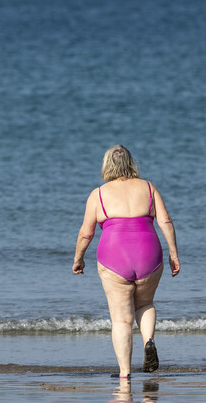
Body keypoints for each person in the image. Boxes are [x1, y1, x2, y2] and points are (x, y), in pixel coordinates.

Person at [72, 145, 182, 378]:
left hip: (114, 258)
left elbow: (86, 233)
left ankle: (124, 374)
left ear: (106, 165)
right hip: (148, 254)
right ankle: (149, 340)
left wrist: (78, 258)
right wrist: (174, 254)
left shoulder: (98, 194)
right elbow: (165, 221)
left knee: (121, 319)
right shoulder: (149, 188)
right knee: (145, 304)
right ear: (132, 163)